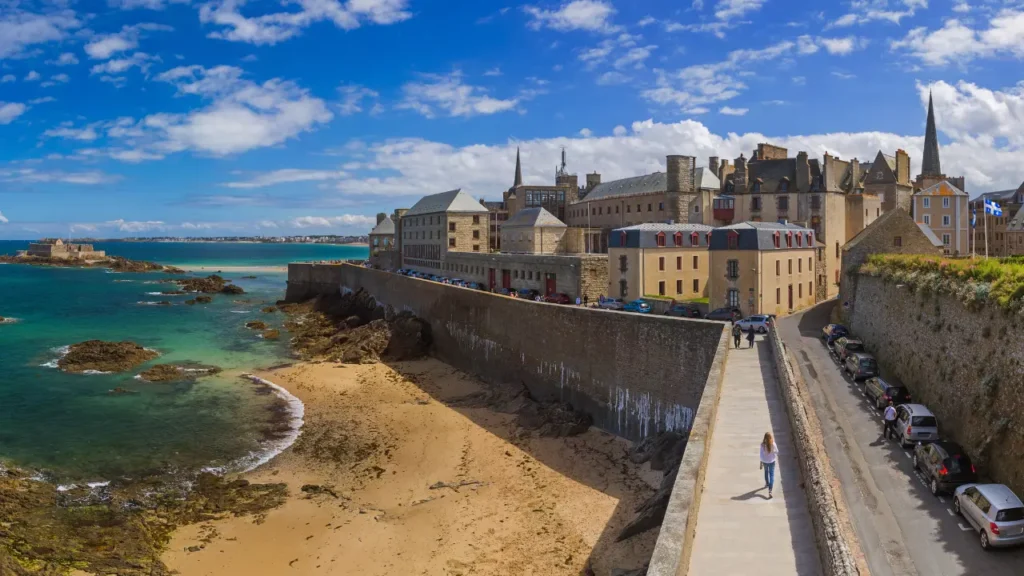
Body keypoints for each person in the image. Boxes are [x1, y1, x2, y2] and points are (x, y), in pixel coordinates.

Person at [760, 432, 779, 499]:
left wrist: (761, 462)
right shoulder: (773, 444)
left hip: (765, 462)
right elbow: (777, 451)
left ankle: (767, 483)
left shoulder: (762, 445)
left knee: (766, 472)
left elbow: (761, 455)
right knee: (771, 475)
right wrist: (773, 452)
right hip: (772, 462)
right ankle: (770, 490)